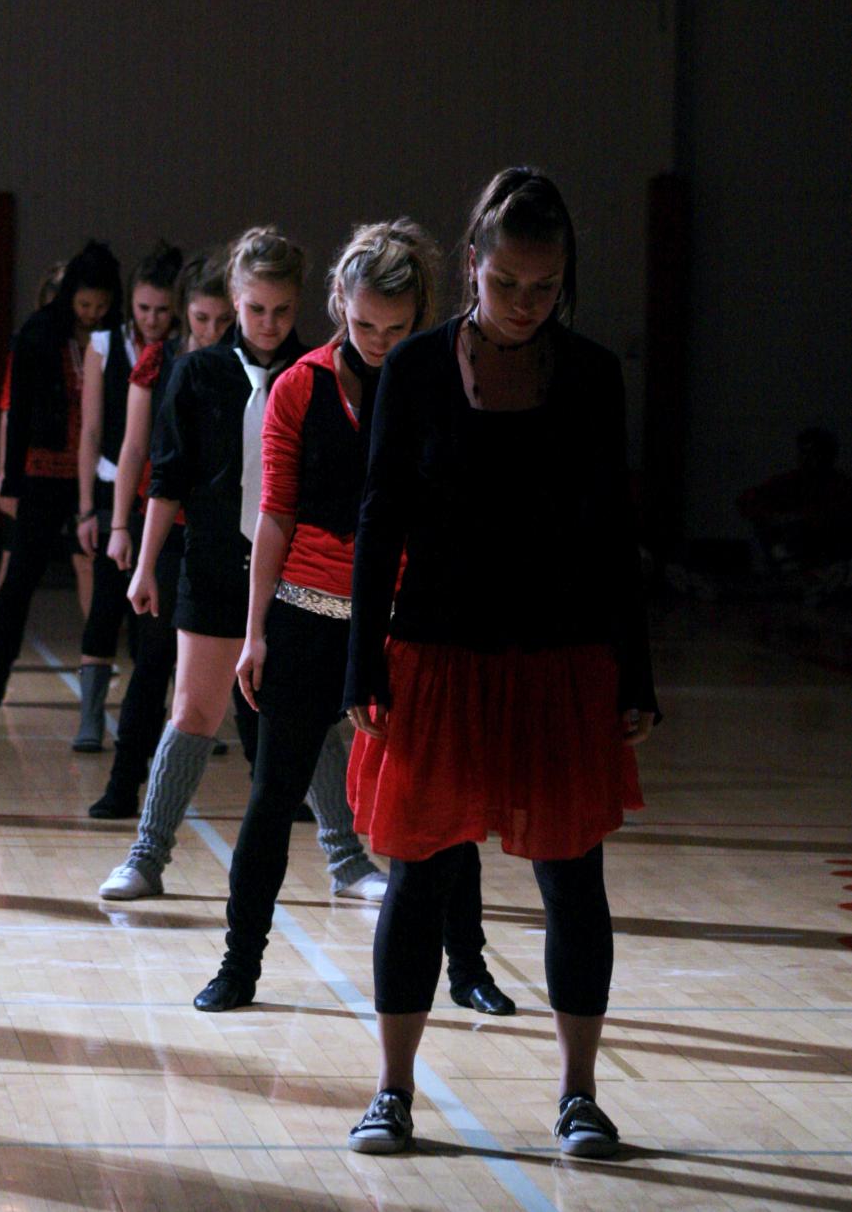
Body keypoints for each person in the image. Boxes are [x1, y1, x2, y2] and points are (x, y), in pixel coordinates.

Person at [342, 169, 658, 1160]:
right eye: (507, 281)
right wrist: (362, 660)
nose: (523, 302)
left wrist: (633, 670)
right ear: (471, 264)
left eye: (544, 285)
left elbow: (613, 532)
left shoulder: (593, 374)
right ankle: (390, 1091)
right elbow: (377, 519)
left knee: (574, 885)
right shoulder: (418, 370)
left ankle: (578, 1096)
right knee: (419, 881)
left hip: (559, 658)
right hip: (434, 653)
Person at [194, 220, 514, 1017]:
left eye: (397, 328)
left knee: (441, 803)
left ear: (422, 316)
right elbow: (272, 514)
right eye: (363, 323)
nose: (377, 340)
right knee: (273, 797)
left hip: (407, 624)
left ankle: (467, 968)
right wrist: (257, 628)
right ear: (337, 301)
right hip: (304, 616)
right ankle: (239, 965)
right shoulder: (296, 386)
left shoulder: (446, 380)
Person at [97, 227, 388, 903]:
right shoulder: (196, 373)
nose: (267, 323)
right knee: (192, 709)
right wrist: (144, 565)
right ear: (234, 299)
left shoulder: (316, 375)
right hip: (212, 567)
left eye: (281, 310)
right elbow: (167, 477)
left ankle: (346, 860)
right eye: (255, 308)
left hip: (294, 574)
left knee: (303, 712)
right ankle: (147, 854)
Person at [88, 250, 234, 816]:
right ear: (182, 313)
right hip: (167, 526)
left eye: (224, 321)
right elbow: (131, 448)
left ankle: (290, 792)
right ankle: (124, 784)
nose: (212, 332)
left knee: (250, 656)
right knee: (153, 660)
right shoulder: (160, 360)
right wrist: (121, 524)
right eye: (201, 319)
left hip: (228, 533)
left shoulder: (248, 365)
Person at [0, 241, 122, 707]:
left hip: (97, 476)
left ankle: (102, 676)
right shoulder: (38, 333)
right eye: (83, 304)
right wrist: (11, 478)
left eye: (101, 306)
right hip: (43, 471)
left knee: (101, 575)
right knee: (19, 576)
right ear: (68, 296)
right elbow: (15, 412)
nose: (92, 314)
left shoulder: (118, 337)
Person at [72, 240, 183, 751]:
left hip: (162, 492)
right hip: (111, 487)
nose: (153, 318)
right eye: (143, 307)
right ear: (130, 302)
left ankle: (171, 720)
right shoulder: (105, 344)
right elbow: (92, 431)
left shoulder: (183, 350)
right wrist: (87, 509)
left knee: (157, 620)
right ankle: (90, 718)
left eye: (163, 309)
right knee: (105, 607)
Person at [0, 262, 66, 601]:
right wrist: (6, 475)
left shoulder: (92, 347)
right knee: (15, 556)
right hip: (34, 470)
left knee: (85, 559)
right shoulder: (29, 345)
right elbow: (10, 413)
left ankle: (99, 651)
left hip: (79, 472)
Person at [737, 427, 852, 584]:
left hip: (825, 551)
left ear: (828, 456)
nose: (806, 458)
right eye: (803, 452)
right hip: (790, 551)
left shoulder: (841, 486)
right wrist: (769, 517)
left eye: (814, 453)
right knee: (759, 533)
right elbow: (748, 499)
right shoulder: (789, 482)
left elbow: (835, 518)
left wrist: (801, 520)